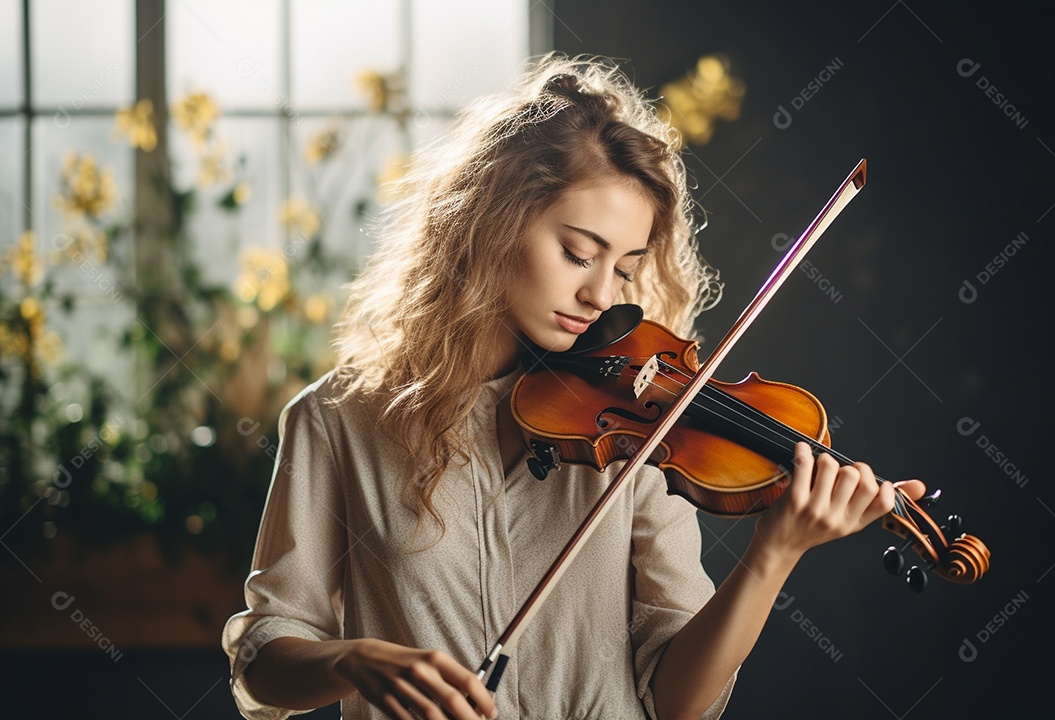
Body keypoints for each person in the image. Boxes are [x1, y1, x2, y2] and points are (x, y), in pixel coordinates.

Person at [222, 52, 924, 720]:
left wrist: (776, 551)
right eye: (578, 253)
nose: (598, 293)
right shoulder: (337, 419)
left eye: (622, 269)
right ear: (491, 222)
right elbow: (262, 668)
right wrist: (351, 659)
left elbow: (679, 701)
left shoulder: (642, 426)